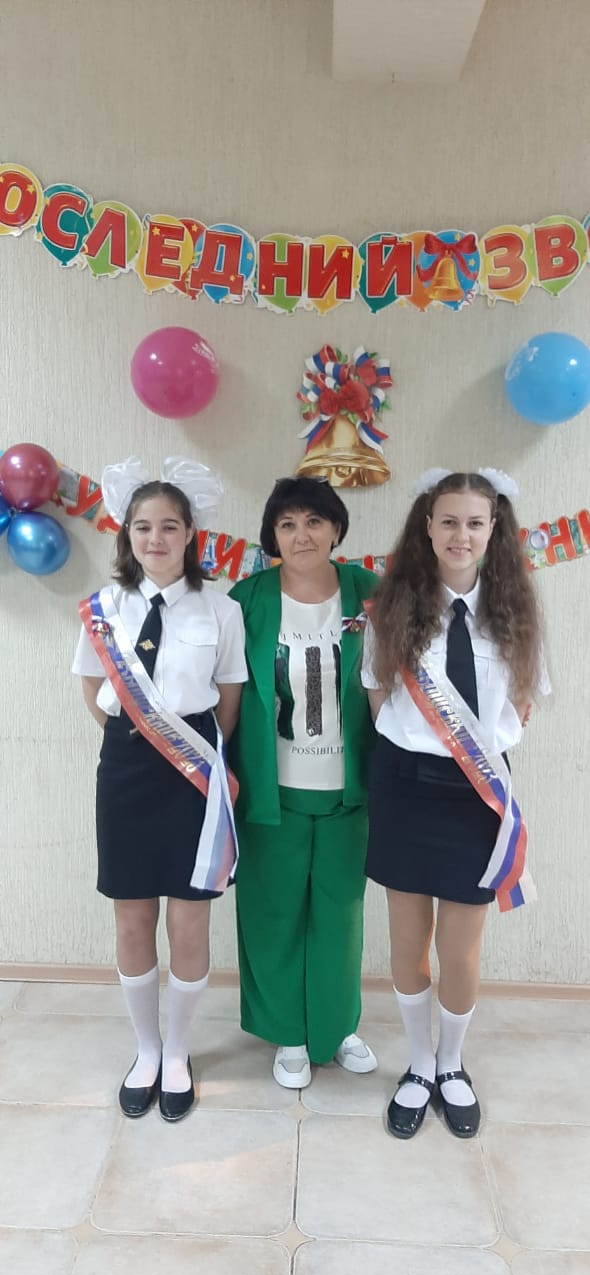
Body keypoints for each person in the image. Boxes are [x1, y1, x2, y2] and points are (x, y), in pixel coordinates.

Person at [361, 467, 547, 1139]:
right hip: (406, 787)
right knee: (409, 943)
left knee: (461, 950)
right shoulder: (392, 608)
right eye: (448, 521)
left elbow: (523, 702)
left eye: (474, 522)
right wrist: (417, 748)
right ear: (428, 527)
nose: (460, 534)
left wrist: (484, 752)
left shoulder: (514, 614)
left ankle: (451, 1064)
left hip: (478, 794)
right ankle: (417, 1065)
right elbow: (378, 695)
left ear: (494, 529)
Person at [72, 457, 247, 1122]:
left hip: (195, 769)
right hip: (125, 768)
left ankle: (177, 1053)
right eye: (143, 526)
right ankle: (145, 1050)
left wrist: (190, 754)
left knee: (189, 917)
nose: (156, 538)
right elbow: (93, 689)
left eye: (169, 526)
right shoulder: (103, 608)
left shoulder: (222, 609)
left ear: (190, 534)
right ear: (127, 533)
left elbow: (228, 700)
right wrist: (137, 739)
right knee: (132, 915)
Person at [228, 476, 378, 1088]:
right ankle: (288, 1031)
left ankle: (337, 1026)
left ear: (336, 528)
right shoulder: (247, 599)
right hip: (272, 789)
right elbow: (226, 691)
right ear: (272, 536)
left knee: (341, 915)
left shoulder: (370, 593)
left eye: (314, 521)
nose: (302, 535)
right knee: (272, 911)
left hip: (349, 788)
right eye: (287, 524)